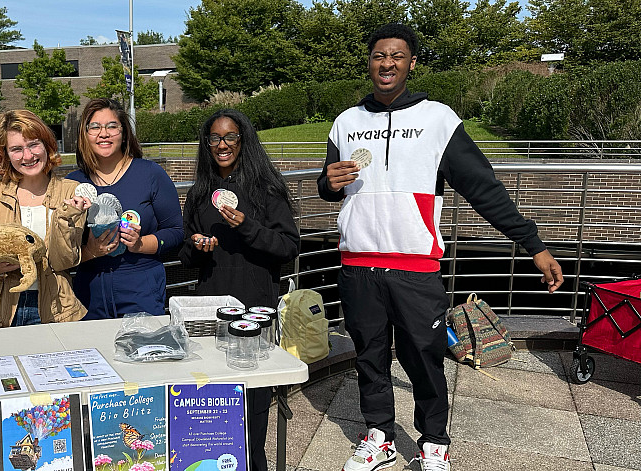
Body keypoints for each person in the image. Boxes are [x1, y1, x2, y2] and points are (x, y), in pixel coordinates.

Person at [318, 23, 564, 471]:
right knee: (370, 359)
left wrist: (532, 244)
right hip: (357, 265)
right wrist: (327, 184)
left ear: (411, 63)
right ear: (369, 62)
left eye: (396, 56)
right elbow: (331, 184)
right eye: (378, 55)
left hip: (415, 266)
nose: (386, 63)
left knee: (425, 360)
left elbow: (483, 188)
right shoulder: (346, 122)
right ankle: (379, 437)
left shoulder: (438, 120)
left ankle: (434, 443)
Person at [178, 109, 299, 471]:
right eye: (214, 138)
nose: (222, 145)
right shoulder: (200, 194)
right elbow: (185, 256)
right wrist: (196, 246)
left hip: (255, 316)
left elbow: (289, 247)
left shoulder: (266, 190)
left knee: (252, 416)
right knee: (211, 411)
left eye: (230, 136)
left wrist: (248, 227)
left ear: (243, 140)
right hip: (209, 316)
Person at [0, 110, 91, 328]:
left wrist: (65, 217)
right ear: (5, 154)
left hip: (57, 310)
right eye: (17, 149)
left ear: (47, 145)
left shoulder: (71, 192)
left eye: (33, 145)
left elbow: (64, 261)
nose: (28, 156)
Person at [66, 98, 184, 318]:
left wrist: (140, 244)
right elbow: (61, 248)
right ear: (84, 134)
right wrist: (91, 251)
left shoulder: (150, 174)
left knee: (144, 349)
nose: (104, 133)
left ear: (124, 132)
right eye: (95, 127)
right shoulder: (72, 184)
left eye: (112, 126)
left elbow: (176, 231)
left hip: (141, 285)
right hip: (89, 289)